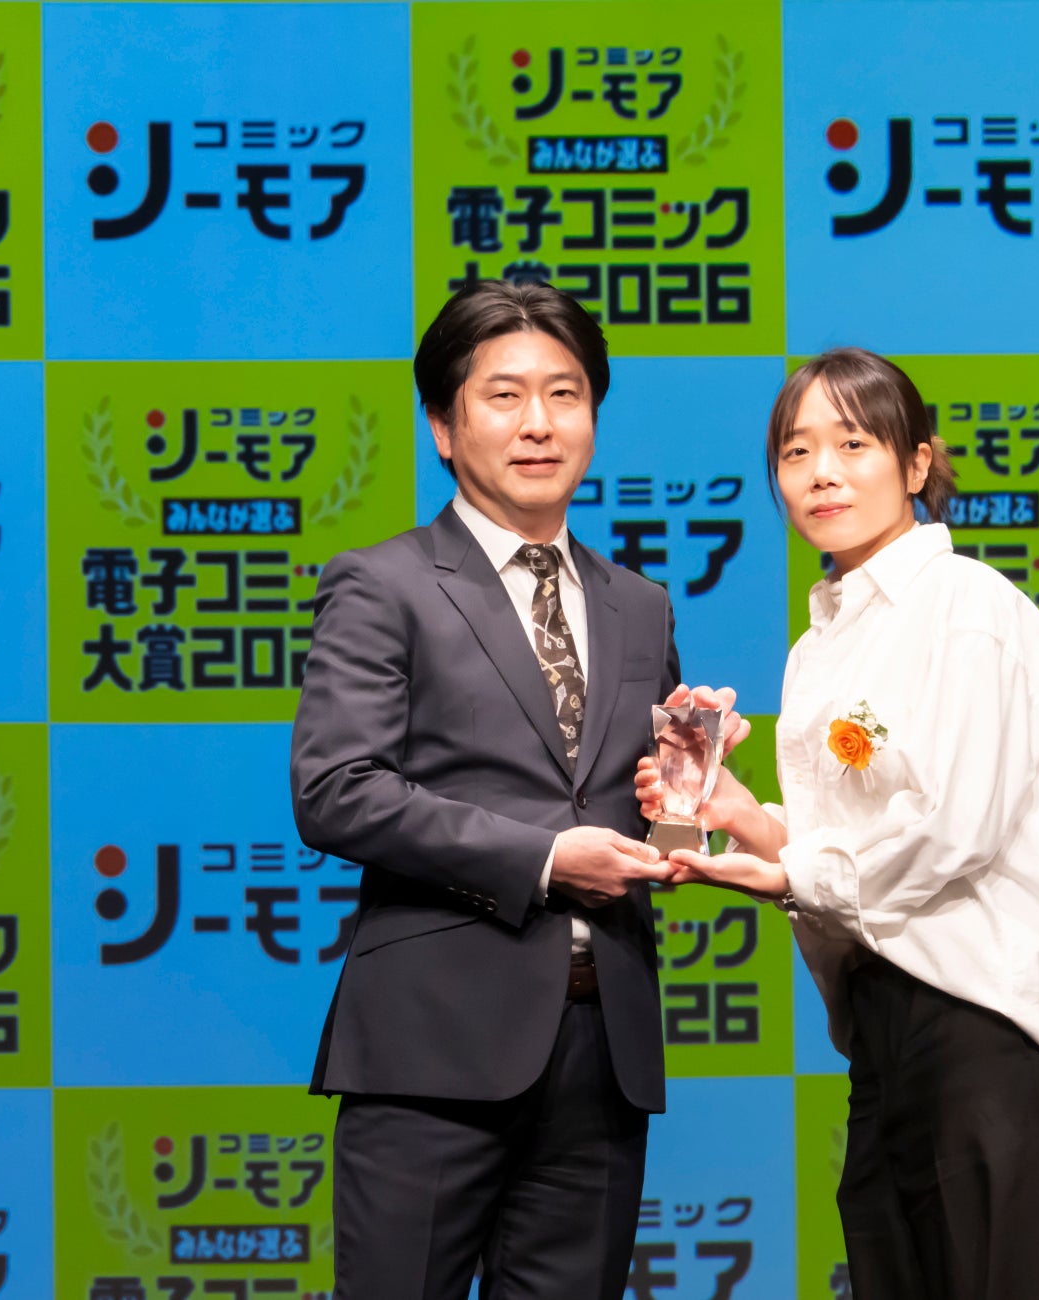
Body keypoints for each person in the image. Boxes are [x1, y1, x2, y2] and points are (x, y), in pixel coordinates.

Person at [637, 347, 1039, 1298]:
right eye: (796, 452)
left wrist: (787, 873)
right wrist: (741, 819)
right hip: (881, 1024)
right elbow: (844, 843)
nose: (821, 472)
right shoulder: (819, 645)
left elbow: (954, 828)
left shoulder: (966, 606)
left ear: (917, 463)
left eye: (853, 444)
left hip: (984, 1018)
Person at [292, 280, 719, 1298]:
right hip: (430, 1047)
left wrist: (694, 782)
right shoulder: (383, 583)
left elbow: (635, 805)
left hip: (603, 1049)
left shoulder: (640, 604)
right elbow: (336, 788)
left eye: (565, 394)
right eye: (505, 395)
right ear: (444, 427)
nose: (539, 423)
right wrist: (544, 859)